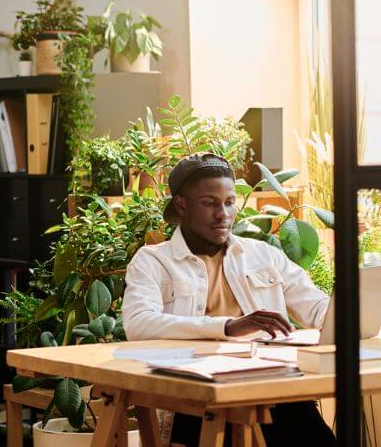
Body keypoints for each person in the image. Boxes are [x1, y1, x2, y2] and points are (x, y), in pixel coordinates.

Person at [122, 153, 335, 446]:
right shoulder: (153, 261)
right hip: (196, 400)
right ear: (182, 205)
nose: (223, 213)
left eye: (230, 202)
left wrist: (347, 315)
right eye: (209, 203)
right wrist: (227, 327)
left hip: (271, 390)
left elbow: (317, 306)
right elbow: (138, 324)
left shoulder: (264, 255)